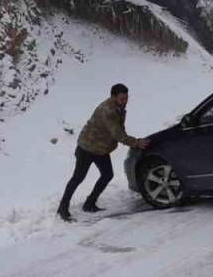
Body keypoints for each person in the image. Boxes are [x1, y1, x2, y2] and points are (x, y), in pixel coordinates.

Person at [58, 83, 149, 221]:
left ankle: (89, 203)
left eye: (126, 98)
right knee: (78, 178)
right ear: (113, 97)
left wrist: (131, 141)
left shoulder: (119, 108)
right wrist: (136, 142)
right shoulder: (108, 111)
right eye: (122, 99)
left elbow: (120, 130)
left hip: (101, 148)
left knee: (107, 175)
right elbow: (117, 134)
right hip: (87, 147)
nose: (125, 101)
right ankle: (62, 207)